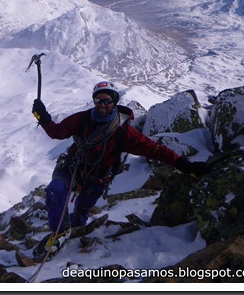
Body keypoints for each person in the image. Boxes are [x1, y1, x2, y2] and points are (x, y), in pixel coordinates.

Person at [32, 81, 210, 252]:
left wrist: (185, 165)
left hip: (97, 177)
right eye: (98, 100)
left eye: (106, 101)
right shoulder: (83, 119)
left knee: (81, 212)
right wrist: (42, 116)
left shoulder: (123, 132)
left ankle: (77, 231)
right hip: (73, 168)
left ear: (114, 101)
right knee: (55, 190)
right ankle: (60, 232)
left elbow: (154, 150)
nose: (102, 104)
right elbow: (57, 132)